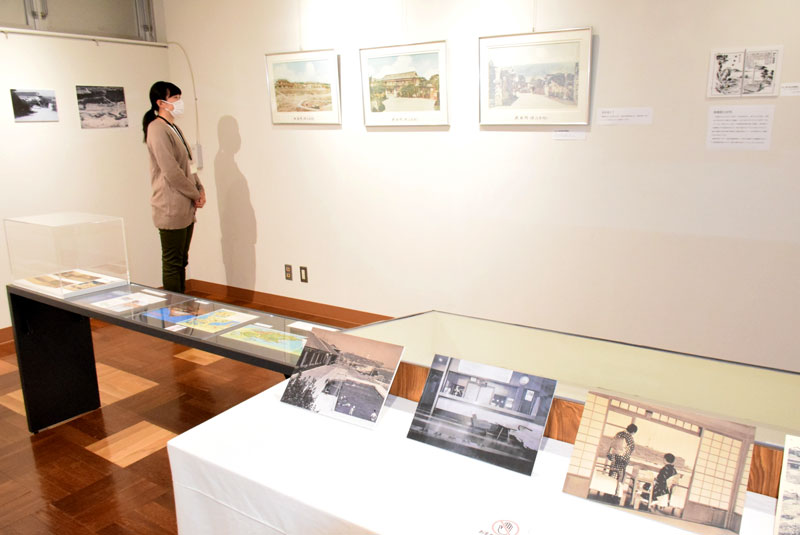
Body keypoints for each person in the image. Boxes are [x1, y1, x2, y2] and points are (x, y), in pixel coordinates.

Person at [142, 81, 205, 293]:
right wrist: (195, 193)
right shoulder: (156, 129)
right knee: (173, 262)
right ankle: (175, 307)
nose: (179, 102)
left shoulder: (173, 127)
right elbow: (171, 171)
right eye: (175, 98)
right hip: (170, 206)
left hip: (185, 204)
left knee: (181, 260)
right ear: (161, 103)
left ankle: (182, 304)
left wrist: (200, 189)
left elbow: (188, 163)